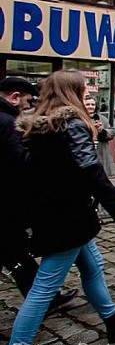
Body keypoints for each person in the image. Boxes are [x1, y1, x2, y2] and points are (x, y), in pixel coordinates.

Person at [4, 71, 115, 345]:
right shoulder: (70, 126)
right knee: (43, 288)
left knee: (93, 267)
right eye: (83, 91)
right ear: (72, 93)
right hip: (66, 218)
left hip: (55, 214)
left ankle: (113, 320)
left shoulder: (38, 127)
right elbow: (91, 173)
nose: (87, 97)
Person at [0, 77, 77, 319]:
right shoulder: (7, 122)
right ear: (14, 97)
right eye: (27, 100)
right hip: (6, 203)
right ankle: (43, 300)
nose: (28, 105)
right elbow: (22, 163)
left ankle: (49, 297)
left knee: (16, 252)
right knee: (14, 250)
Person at [84, 95, 115, 173]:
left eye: (93, 104)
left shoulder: (102, 119)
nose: (91, 107)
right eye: (88, 104)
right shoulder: (79, 118)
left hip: (101, 153)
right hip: (85, 153)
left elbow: (112, 132)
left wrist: (101, 131)